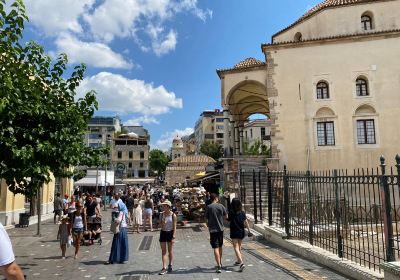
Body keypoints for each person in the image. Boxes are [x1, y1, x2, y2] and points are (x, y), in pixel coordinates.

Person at [205, 193, 228, 273]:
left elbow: (206, 220)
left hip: (212, 230)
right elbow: (226, 217)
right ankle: (220, 262)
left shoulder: (208, 207)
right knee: (220, 246)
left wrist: (209, 225)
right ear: (216, 198)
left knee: (215, 247)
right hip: (221, 229)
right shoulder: (221, 206)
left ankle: (218, 265)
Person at [228, 198, 251, 272]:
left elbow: (228, 219)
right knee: (239, 246)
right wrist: (249, 231)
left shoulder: (231, 212)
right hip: (241, 231)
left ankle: (241, 263)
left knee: (236, 247)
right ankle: (238, 260)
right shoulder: (242, 212)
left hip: (234, 231)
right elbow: (246, 222)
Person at [158, 200, 177, 275]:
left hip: (170, 233)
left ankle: (170, 264)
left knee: (170, 251)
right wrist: (162, 223)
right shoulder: (161, 215)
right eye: (163, 206)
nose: (163, 207)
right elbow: (161, 226)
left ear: (168, 207)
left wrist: (174, 236)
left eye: (164, 206)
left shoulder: (173, 215)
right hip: (163, 232)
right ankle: (164, 267)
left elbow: (175, 227)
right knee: (163, 251)